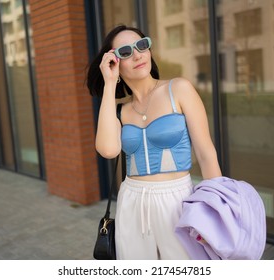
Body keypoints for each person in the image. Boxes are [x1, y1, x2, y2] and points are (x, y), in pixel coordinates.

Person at [87, 25, 222, 260]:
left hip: (177, 200)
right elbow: (108, 151)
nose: (137, 54)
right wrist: (109, 85)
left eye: (141, 45)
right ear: (114, 62)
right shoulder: (120, 110)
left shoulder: (179, 89)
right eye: (126, 52)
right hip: (131, 201)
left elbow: (205, 153)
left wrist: (216, 212)